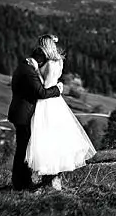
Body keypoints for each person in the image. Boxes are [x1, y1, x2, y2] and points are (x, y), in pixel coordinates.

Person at [24, 34, 97, 191]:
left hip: (46, 103)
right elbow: (56, 82)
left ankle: (48, 178)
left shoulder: (49, 63)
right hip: (57, 102)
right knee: (57, 138)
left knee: (45, 138)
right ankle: (53, 180)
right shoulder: (59, 61)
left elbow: (45, 86)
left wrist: (36, 70)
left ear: (45, 46)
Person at [7, 36, 64, 191]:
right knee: (23, 150)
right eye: (40, 59)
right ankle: (21, 183)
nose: (41, 62)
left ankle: (23, 182)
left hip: (22, 112)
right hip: (23, 115)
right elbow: (41, 92)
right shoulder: (29, 71)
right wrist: (57, 90)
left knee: (24, 149)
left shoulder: (25, 67)